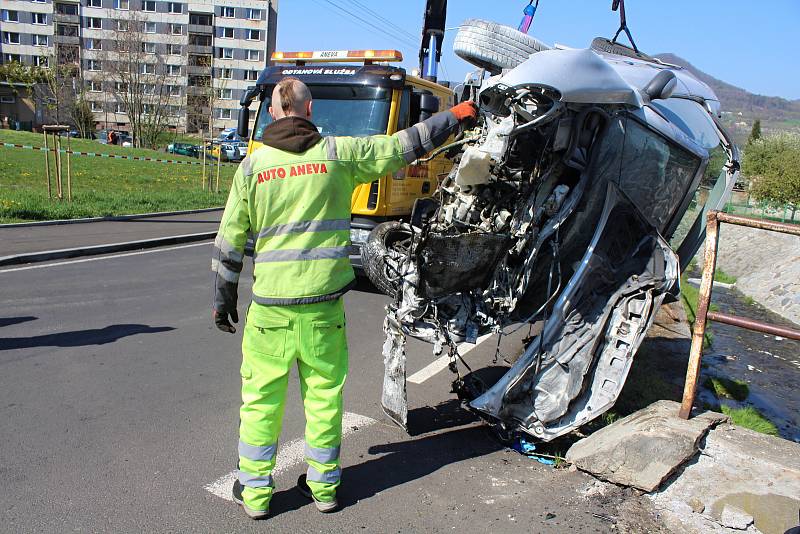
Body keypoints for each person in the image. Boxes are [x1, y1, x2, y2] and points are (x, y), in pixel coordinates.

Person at [211, 77, 478, 520]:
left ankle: (256, 496)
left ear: (274, 112)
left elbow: (229, 242)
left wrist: (223, 300)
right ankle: (324, 487)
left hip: (270, 313)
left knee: (260, 400)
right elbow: (402, 146)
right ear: (309, 109)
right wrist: (456, 116)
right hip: (322, 312)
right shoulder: (337, 155)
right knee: (323, 397)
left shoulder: (253, 169)